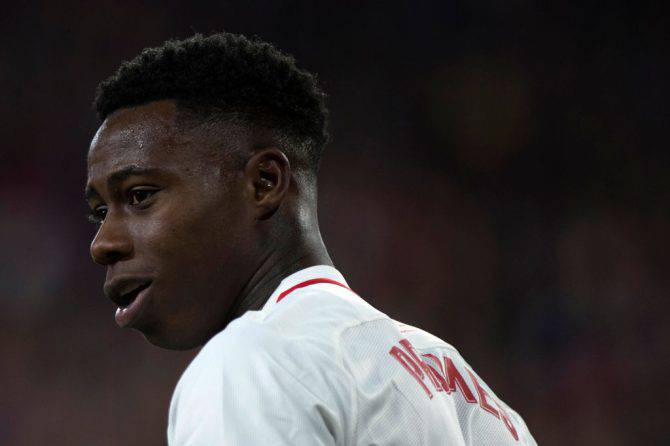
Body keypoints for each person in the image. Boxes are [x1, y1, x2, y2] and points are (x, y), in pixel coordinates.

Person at [85, 32, 536, 445]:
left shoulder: (256, 361)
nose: (102, 243)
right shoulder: (479, 402)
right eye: (100, 213)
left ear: (263, 183)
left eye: (140, 196)